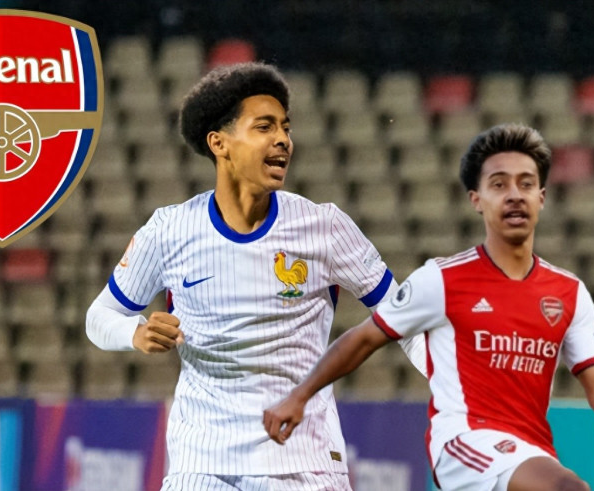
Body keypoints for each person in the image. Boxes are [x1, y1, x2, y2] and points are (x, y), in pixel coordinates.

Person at [86, 62, 425, 490]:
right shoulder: (169, 230)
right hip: (202, 466)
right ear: (219, 143)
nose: (283, 139)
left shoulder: (325, 227)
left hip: (305, 467)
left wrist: (462, 389)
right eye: (264, 127)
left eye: (285, 127)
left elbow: (404, 320)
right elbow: (99, 317)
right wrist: (135, 333)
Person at [263, 123, 594, 490]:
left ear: (542, 197)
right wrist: (299, 396)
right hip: (463, 443)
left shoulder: (568, 292)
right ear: (476, 199)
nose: (515, 195)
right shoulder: (442, 280)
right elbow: (364, 338)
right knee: (568, 489)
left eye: (526, 184)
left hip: (530, 449)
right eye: (499, 184)